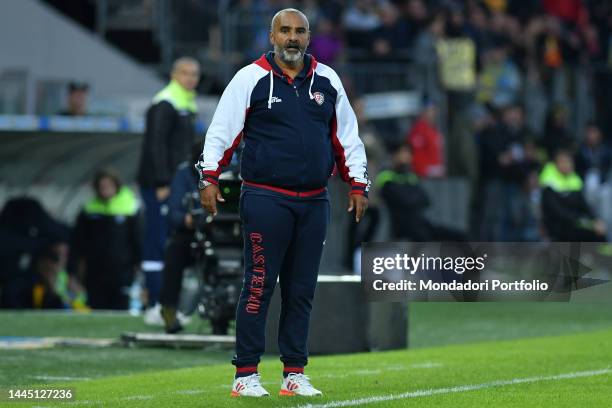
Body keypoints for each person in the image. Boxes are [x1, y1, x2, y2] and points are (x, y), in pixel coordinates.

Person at [197, 8, 369, 398]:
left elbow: (347, 136)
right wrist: (208, 177)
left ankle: (294, 373)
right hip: (264, 199)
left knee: (302, 289)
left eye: (300, 31)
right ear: (272, 36)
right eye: (285, 31)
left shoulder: (328, 79)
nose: (292, 37)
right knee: (258, 285)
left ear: (309, 37)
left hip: (314, 201)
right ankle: (245, 373)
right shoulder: (249, 78)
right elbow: (222, 131)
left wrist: (358, 183)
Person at [137, 57, 200, 321]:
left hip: (174, 184)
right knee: (157, 242)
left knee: (172, 245)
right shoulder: (166, 102)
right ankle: (153, 304)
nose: (190, 78)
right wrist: (162, 182)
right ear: (174, 75)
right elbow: (156, 145)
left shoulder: (185, 103)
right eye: (185, 73)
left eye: (195, 74)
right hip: (160, 185)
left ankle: (167, 306)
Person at [69, 168, 140, 310]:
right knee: (96, 308)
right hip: (95, 272)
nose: (105, 190)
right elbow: (77, 242)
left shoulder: (130, 207)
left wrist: (139, 265)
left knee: (121, 309)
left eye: (108, 186)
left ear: (116, 186)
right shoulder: (89, 209)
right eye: (102, 187)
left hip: (122, 272)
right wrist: (73, 272)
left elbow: (138, 240)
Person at [159, 144, 204, 334]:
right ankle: (169, 310)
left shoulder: (231, 171)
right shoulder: (184, 174)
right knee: (174, 252)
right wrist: (188, 219)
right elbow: (174, 212)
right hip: (192, 232)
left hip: (227, 232)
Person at [540, 149, 607, 241]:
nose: (567, 165)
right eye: (563, 162)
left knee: (600, 232)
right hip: (557, 225)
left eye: (569, 162)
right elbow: (556, 211)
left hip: (575, 223)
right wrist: (582, 221)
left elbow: (584, 206)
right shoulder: (549, 182)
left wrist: (595, 220)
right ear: (555, 164)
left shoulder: (574, 179)